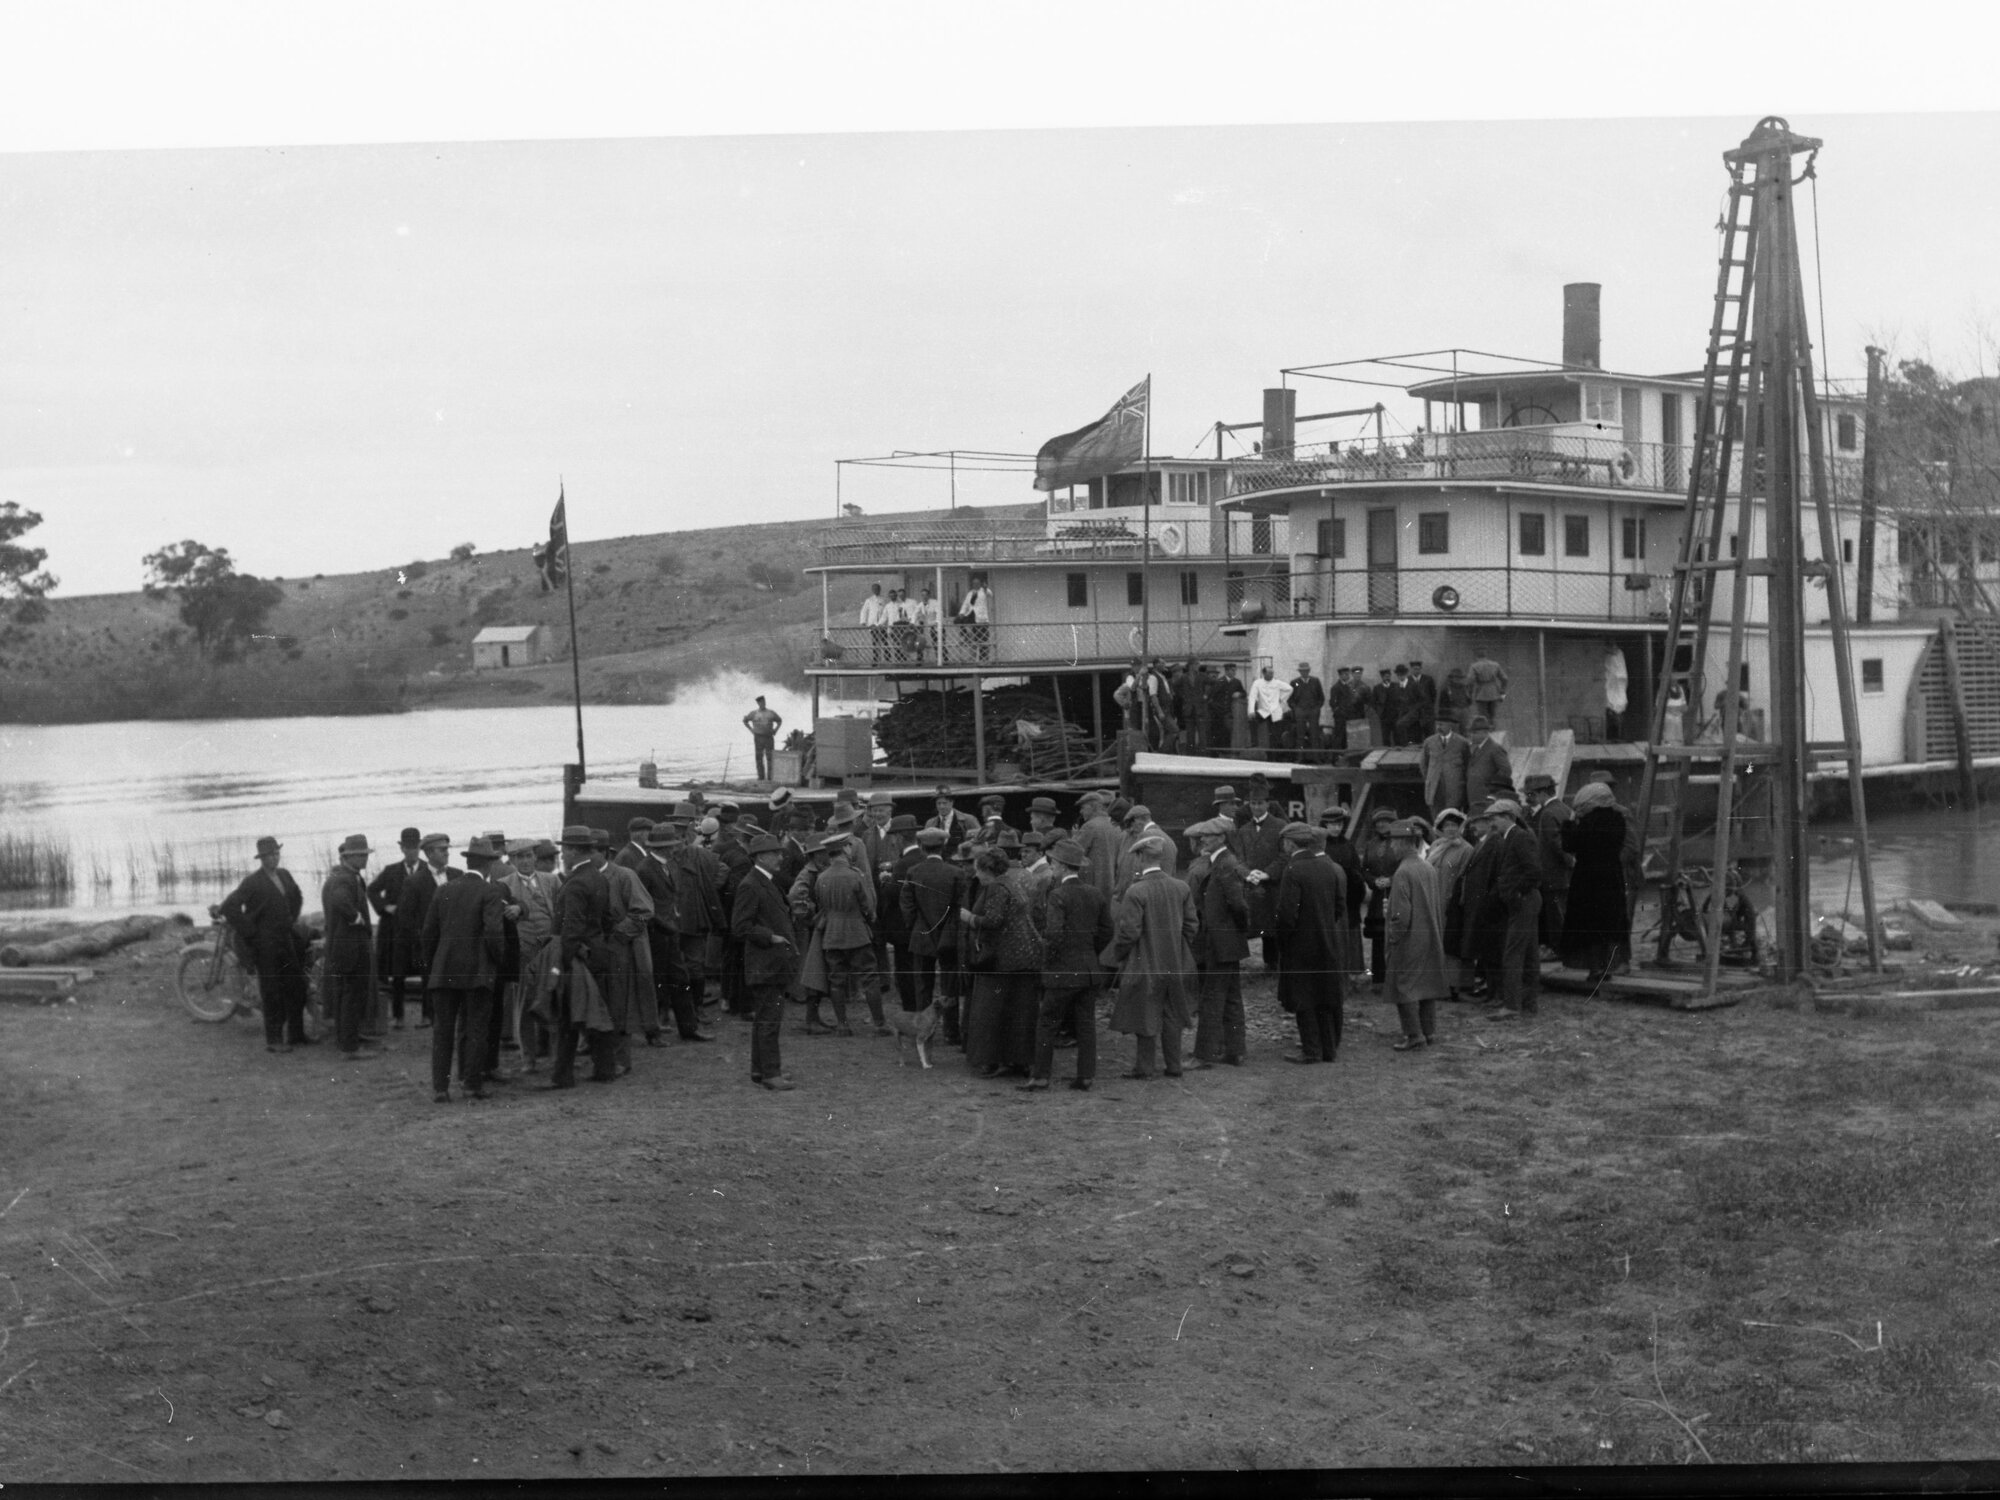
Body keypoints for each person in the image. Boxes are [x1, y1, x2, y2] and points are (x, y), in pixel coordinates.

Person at [420, 834, 509, 1103]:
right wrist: (499, 961)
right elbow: (494, 932)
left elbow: (428, 934)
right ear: (489, 865)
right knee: (476, 1028)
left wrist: (433, 964)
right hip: (477, 970)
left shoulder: (444, 889)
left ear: (470, 861)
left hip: (444, 969)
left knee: (443, 1031)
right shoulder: (490, 891)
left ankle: (440, 1089)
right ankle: (471, 1085)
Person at [1103, 834, 1198, 1080]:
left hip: (1144, 961)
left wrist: (1120, 955)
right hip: (1175, 962)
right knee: (1172, 1013)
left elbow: (1129, 933)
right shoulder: (1181, 886)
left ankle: (1144, 1068)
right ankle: (1174, 1066)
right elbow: (1191, 926)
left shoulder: (1136, 891)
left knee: (1145, 1013)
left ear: (1141, 858)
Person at [1021, 838, 1111, 1092]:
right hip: (1089, 969)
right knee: (1086, 1024)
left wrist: (1048, 961)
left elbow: (1054, 935)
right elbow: (1107, 931)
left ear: (1061, 865)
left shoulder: (1058, 894)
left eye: (1054, 862)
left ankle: (1040, 1076)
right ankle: (1086, 1076)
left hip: (1062, 970)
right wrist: (1089, 953)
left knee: (1047, 1022)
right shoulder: (1095, 893)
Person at [219, 835, 311, 1055]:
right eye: (269, 855)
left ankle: (296, 1034)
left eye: (276, 853)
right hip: (265, 944)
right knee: (271, 991)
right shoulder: (252, 882)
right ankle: (274, 1039)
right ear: (261, 858)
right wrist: (251, 932)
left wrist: (292, 917)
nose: (274, 858)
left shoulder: (284, 875)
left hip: (285, 938)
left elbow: (297, 896)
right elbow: (229, 907)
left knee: (297, 986)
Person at [958, 846, 1042, 1077]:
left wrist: (969, 918)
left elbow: (993, 921)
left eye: (978, 870)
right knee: (1019, 1011)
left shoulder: (996, 887)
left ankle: (992, 1060)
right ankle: (1018, 1060)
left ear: (988, 869)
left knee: (991, 1010)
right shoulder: (1012, 882)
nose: (976, 875)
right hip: (1024, 958)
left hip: (1003, 960)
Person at [546, 824, 617, 1088]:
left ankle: (562, 1075)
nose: (562, 856)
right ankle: (605, 1068)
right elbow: (608, 920)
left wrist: (563, 961)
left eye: (565, 850)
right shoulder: (598, 877)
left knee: (569, 1015)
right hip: (597, 951)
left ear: (575, 851)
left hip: (579, 956)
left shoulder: (575, 883)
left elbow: (571, 929)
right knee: (597, 1010)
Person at [1273, 822, 1347, 1064]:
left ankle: (1311, 1050)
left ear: (1290, 843)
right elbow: (1339, 906)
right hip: (1327, 941)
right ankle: (1329, 1049)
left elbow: (1286, 914)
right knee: (1324, 995)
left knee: (1304, 997)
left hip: (1300, 945)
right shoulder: (1328, 867)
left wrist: (1283, 941)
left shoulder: (1293, 870)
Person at [733, 833, 801, 1090]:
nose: (781, 857)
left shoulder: (765, 882)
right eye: (776, 853)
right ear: (761, 856)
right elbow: (740, 927)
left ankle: (762, 1070)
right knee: (769, 1020)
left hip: (772, 964)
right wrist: (770, 937)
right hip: (766, 964)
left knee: (766, 1018)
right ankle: (771, 1074)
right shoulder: (751, 885)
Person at [1184, 817, 1251, 1068]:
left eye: (1208, 836)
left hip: (1218, 943)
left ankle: (1204, 1055)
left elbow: (1239, 905)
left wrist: (1233, 930)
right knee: (1231, 996)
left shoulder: (1225, 864)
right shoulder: (1223, 862)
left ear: (1222, 838)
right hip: (1226, 943)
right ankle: (1235, 1051)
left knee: (1212, 999)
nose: (1203, 840)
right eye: (1202, 836)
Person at [1385, 818, 1450, 1051]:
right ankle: (1429, 1032)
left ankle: (1413, 1035)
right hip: (1430, 934)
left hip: (1409, 937)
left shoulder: (1403, 871)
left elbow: (1402, 914)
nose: (1391, 847)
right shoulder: (1427, 867)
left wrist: (1393, 936)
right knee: (1426, 985)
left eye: (1393, 842)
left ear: (1404, 843)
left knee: (1405, 986)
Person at [813, 835, 884, 1036]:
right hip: (857, 934)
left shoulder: (822, 877)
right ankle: (879, 1024)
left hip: (832, 935)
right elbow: (868, 906)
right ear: (845, 849)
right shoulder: (855, 875)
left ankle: (842, 1025)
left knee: (836, 981)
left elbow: (821, 906)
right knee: (869, 977)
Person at [1560, 780, 1630, 984]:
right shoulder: (1618, 819)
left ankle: (1594, 968)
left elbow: (1569, 844)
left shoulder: (1588, 821)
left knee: (1588, 923)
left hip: (1587, 878)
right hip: (1611, 876)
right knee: (1609, 923)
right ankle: (1608, 967)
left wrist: (1570, 823)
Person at [501, 837, 560, 1072]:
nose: (525, 861)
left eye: (528, 856)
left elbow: (560, 912)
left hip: (549, 951)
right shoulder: (504, 884)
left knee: (552, 999)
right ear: (512, 860)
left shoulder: (552, 880)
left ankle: (555, 1055)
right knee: (525, 1004)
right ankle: (528, 1058)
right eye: (519, 857)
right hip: (524, 953)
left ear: (535, 857)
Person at [322, 834, 382, 1061]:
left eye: (366, 855)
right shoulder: (344, 879)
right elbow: (340, 900)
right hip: (349, 947)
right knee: (351, 995)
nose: (365, 859)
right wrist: (356, 917)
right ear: (349, 857)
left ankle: (348, 1037)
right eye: (361, 856)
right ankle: (349, 1048)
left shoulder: (347, 876)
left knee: (347, 993)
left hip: (344, 946)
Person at [1485, 799, 1544, 1019]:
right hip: (1525, 900)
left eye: (1495, 818)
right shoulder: (1511, 837)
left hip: (1524, 901)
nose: (1492, 823)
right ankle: (1528, 1003)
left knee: (1513, 954)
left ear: (1509, 816)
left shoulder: (1519, 837)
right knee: (1528, 954)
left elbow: (1534, 871)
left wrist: (1517, 892)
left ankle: (1511, 1005)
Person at [366, 827, 423, 1030]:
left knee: (425, 971)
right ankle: (398, 1016)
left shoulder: (427, 870)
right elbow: (371, 889)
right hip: (397, 932)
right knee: (397, 974)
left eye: (415, 847)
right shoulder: (391, 871)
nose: (411, 852)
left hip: (419, 932)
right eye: (407, 848)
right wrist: (384, 907)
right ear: (402, 849)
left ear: (420, 848)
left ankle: (427, 1016)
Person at [899, 826, 960, 1015]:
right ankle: (951, 1031)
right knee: (949, 985)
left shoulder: (913, 871)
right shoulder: (955, 872)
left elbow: (907, 906)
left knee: (923, 984)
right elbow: (959, 906)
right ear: (944, 846)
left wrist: (915, 927)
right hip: (949, 936)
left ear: (921, 847)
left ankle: (923, 1026)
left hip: (921, 934)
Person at [1523, 773, 1574, 954]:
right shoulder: (1565, 809)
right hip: (1564, 875)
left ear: (1542, 793)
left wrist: (1569, 861)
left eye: (1533, 794)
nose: (1532, 798)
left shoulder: (1547, 814)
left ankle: (1559, 951)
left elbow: (1555, 843)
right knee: (1563, 912)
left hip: (1552, 874)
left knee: (1555, 916)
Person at [1359, 806, 1400, 984]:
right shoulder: (1371, 844)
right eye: (1379, 822)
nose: (1382, 825)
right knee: (1378, 938)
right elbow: (1365, 869)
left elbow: (1405, 865)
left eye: (1386, 822)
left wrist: (1392, 880)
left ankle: (1395, 976)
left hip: (1397, 895)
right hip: (1377, 898)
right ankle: (1378, 976)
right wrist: (1373, 880)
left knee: (1396, 935)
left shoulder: (1400, 842)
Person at [1072, 792, 1123, 907]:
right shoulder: (1116, 826)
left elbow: (1074, 853)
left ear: (1093, 807)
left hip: (1092, 886)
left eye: (1083, 808)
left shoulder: (1089, 826)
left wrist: (1075, 836)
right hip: (1112, 886)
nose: (1081, 812)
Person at [1419, 714, 1470, 824]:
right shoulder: (1429, 742)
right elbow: (1424, 765)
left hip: (1454, 788)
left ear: (1450, 725)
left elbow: (1468, 766)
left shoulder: (1462, 743)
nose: (1438, 727)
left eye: (1441, 724)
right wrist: (1430, 779)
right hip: (1434, 789)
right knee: (1436, 819)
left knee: (1452, 818)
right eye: (1437, 724)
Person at [1465, 716, 1513, 809]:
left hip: (1487, 799)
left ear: (1484, 733)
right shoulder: (1476, 748)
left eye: (1474, 733)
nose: (1471, 736)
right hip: (1475, 798)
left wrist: (1492, 788)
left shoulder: (1495, 749)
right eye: (1471, 733)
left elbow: (1506, 771)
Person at [1248, 664, 1291, 754]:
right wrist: (1251, 711)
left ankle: (1274, 753)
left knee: (1275, 733)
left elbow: (1290, 689)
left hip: (1275, 711)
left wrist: (1282, 699)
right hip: (1263, 710)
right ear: (1264, 673)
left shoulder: (1277, 682)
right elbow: (1252, 696)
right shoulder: (1257, 683)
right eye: (1269, 673)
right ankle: (1254, 744)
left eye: (1272, 673)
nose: (1271, 675)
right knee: (1252, 721)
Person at [1288, 660, 1326, 755]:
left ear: (1309, 671)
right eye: (1302, 671)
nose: (1304, 672)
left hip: (1313, 712)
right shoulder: (1295, 683)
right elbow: (1290, 699)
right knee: (1300, 736)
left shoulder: (1315, 681)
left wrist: (1317, 709)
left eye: (1306, 670)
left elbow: (1321, 697)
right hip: (1300, 712)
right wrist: (1296, 709)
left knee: (1314, 735)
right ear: (1299, 672)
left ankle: (1316, 757)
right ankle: (1299, 757)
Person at [743, 695, 783, 782]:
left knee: (770, 757)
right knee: (759, 757)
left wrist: (775, 730)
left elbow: (779, 720)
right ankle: (761, 777)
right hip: (758, 737)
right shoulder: (753, 713)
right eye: (760, 702)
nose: (762, 704)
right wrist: (751, 730)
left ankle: (770, 777)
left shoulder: (771, 713)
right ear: (758, 703)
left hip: (769, 737)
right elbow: (745, 720)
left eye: (764, 702)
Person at [955, 575, 992, 661]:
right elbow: (965, 604)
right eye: (974, 583)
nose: (975, 585)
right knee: (958, 620)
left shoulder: (984, 591)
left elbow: (990, 594)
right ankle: (965, 635)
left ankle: (984, 659)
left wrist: (986, 588)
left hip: (981, 619)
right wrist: (961, 613)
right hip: (972, 616)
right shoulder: (970, 593)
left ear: (980, 584)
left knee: (982, 639)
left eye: (977, 583)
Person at [1467, 654, 1509, 727]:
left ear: (1477, 657)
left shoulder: (1474, 666)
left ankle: (1485, 732)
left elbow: (1470, 681)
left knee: (1483, 717)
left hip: (1481, 693)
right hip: (1494, 693)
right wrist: (1502, 690)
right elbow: (1505, 678)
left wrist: (1470, 693)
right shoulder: (1495, 665)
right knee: (1493, 716)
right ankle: (1493, 731)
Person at [1602, 641, 1630, 741]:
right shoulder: (1608, 656)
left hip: (1618, 683)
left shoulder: (1619, 654)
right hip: (1612, 682)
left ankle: (1619, 736)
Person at [1407, 661, 1440, 734]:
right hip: (1413, 711)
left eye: (1418, 669)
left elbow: (1433, 694)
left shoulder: (1428, 679)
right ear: (1411, 669)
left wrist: (1429, 705)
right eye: (1414, 669)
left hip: (1427, 711)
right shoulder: (1407, 680)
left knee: (1429, 731)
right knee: (1415, 732)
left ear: (1421, 669)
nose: (1416, 671)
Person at [859, 582, 888, 664]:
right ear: (872, 590)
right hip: (873, 624)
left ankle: (887, 659)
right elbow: (864, 611)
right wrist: (863, 621)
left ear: (880, 590)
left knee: (885, 642)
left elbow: (886, 611)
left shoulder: (883, 599)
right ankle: (876, 660)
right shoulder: (869, 600)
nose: (876, 590)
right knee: (875, 642)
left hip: (882, 624)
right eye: (874, 589)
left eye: (877, 589)